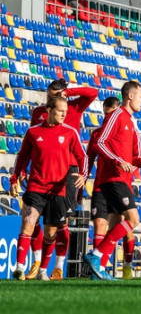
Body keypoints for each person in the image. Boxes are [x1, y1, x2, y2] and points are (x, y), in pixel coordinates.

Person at [25, 79, 98, 280]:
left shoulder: (74, 106)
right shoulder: (38, 112)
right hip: (43, 172)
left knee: (61, 221)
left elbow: (93, 92)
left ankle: (57, 267)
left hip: (69, 171)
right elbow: (32, 143)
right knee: (33, 219)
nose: (52, 98)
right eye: (49, 95)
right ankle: (37, 262)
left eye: (56, 94)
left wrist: (70, 91)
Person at [10, 96, 87, 280]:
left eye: (66, 112)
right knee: (28, 224)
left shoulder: (70, 133)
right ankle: (20, 268)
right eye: (61, 111)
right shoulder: (33, 132)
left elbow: (82, 156)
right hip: (36, 186)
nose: (63, 114)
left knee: (51, 233)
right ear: (49, 110)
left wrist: (83, 175)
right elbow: (22, 156)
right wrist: (15, 177)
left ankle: (43, 270)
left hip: (57, 190)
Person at [83, 81, 141, 281]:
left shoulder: (130, 122)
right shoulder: (117, 115)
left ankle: (99, 270)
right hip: (114, 179)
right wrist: (118, 161)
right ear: (130, 96)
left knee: (114, 226)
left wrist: (139, 161)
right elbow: (100, 142)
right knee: (133, 220)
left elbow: (125, 152)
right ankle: (95, 256)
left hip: (120, 178)